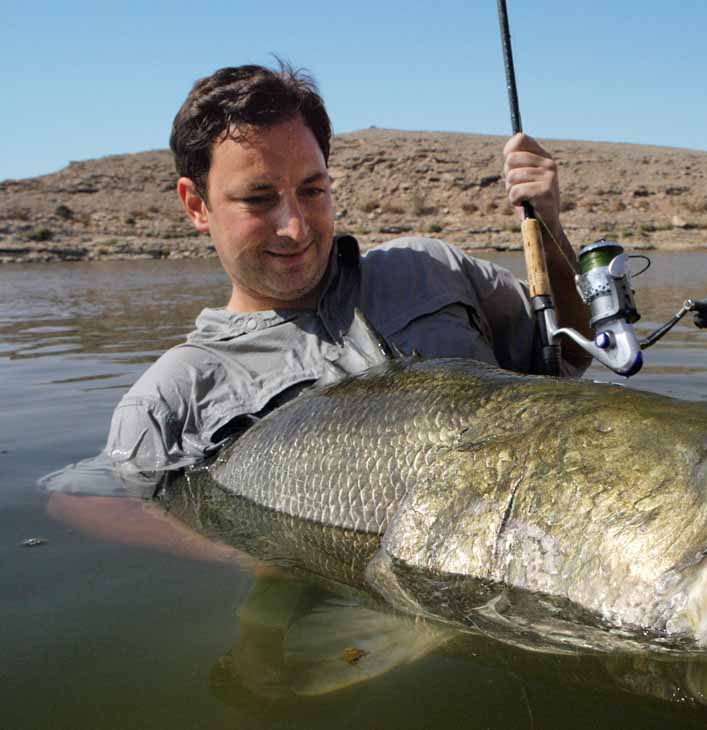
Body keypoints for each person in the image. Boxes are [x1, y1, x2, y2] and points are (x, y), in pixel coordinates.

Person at [44, 61, 590, 554]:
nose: (296, 227)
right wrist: (252, 555)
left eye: (312, 190)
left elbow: (570, 353)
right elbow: (76, 497)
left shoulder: (432, 267)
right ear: (196, 204)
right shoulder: (173, 395)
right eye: (258, 199)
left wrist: (549, 222)